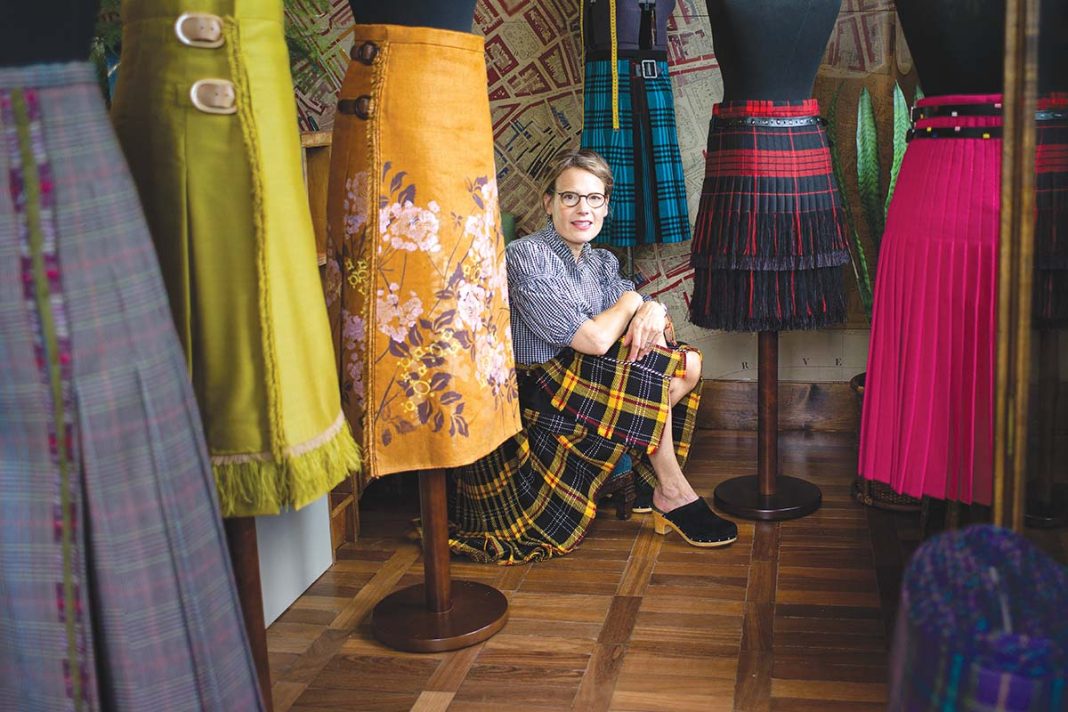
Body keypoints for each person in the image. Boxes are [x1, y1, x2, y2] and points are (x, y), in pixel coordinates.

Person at [448, 149, 737, 564]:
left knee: (685, 362)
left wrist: (652, 309)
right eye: (570, 197)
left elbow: (647, 325)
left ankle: (647, 483)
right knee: (651, 368)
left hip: (580, 384)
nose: (583, 209)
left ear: (606, 206)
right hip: (539, 390)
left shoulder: (601, 262)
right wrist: (635, 300)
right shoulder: (526, 255)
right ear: (548, 203)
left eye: (594, 198)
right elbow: (596, 341)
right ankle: (670, 491)